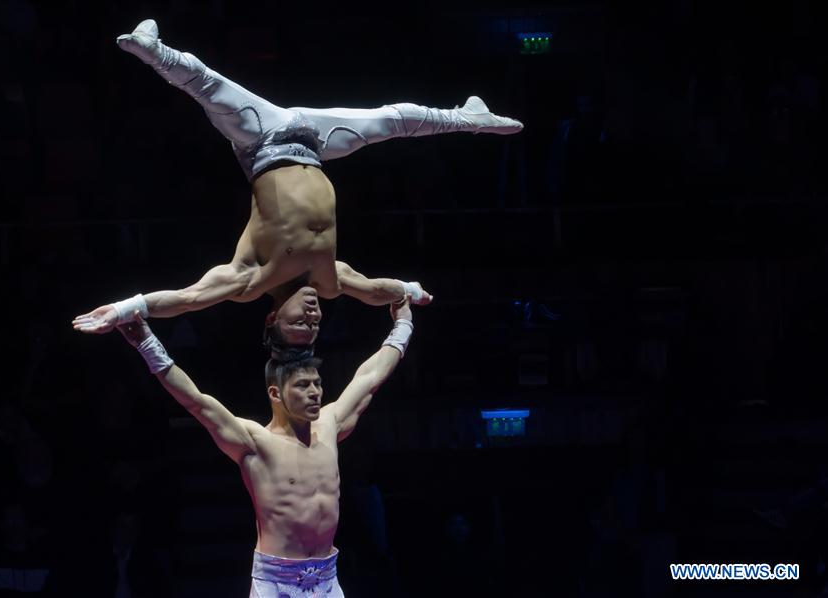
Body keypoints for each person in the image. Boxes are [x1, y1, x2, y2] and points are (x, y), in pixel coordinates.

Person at [74, 19, 521, 355]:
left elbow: (188, 299)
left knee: (210, 89)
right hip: (315, 143)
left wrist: (124, 309)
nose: (311, 318)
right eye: (314, 326)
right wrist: (407, 291)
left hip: (264, 141)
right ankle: (470, 118)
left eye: (297, 325)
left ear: (272, 317)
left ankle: (153, 51)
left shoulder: (250, 280)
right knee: (390, 120)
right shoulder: (328, 282)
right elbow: (374, 290)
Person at [114, 298, 414, 597]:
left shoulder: (330, 423)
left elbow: (370, 377)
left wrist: (403, 323)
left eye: (317, 384)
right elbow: (195, 401)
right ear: (276, 393)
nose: (315, 393)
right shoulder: (254, 442)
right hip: (276, 583)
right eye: (303, 386)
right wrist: (145, 341)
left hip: (327, 580)